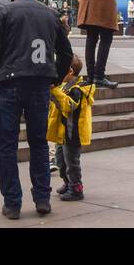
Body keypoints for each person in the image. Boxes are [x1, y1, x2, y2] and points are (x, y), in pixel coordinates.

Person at [0, 0, 73, 220]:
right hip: (40, 83)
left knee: (7, 145)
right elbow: (66, 53)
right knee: (39, 142)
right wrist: (54, 76)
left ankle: (12, 203)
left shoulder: (6, 11)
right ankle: (42, 198)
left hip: (10, 82)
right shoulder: (51, 14)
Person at [48, 54, 95, 202]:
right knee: (61, 160)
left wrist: (55, 92)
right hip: (63, 132)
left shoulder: (78, 90)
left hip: (73, 133)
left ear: (69, 71)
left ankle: (76, 188)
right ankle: (67, 183)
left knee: (72, 162)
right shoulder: (64, 86)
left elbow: (69, 106)